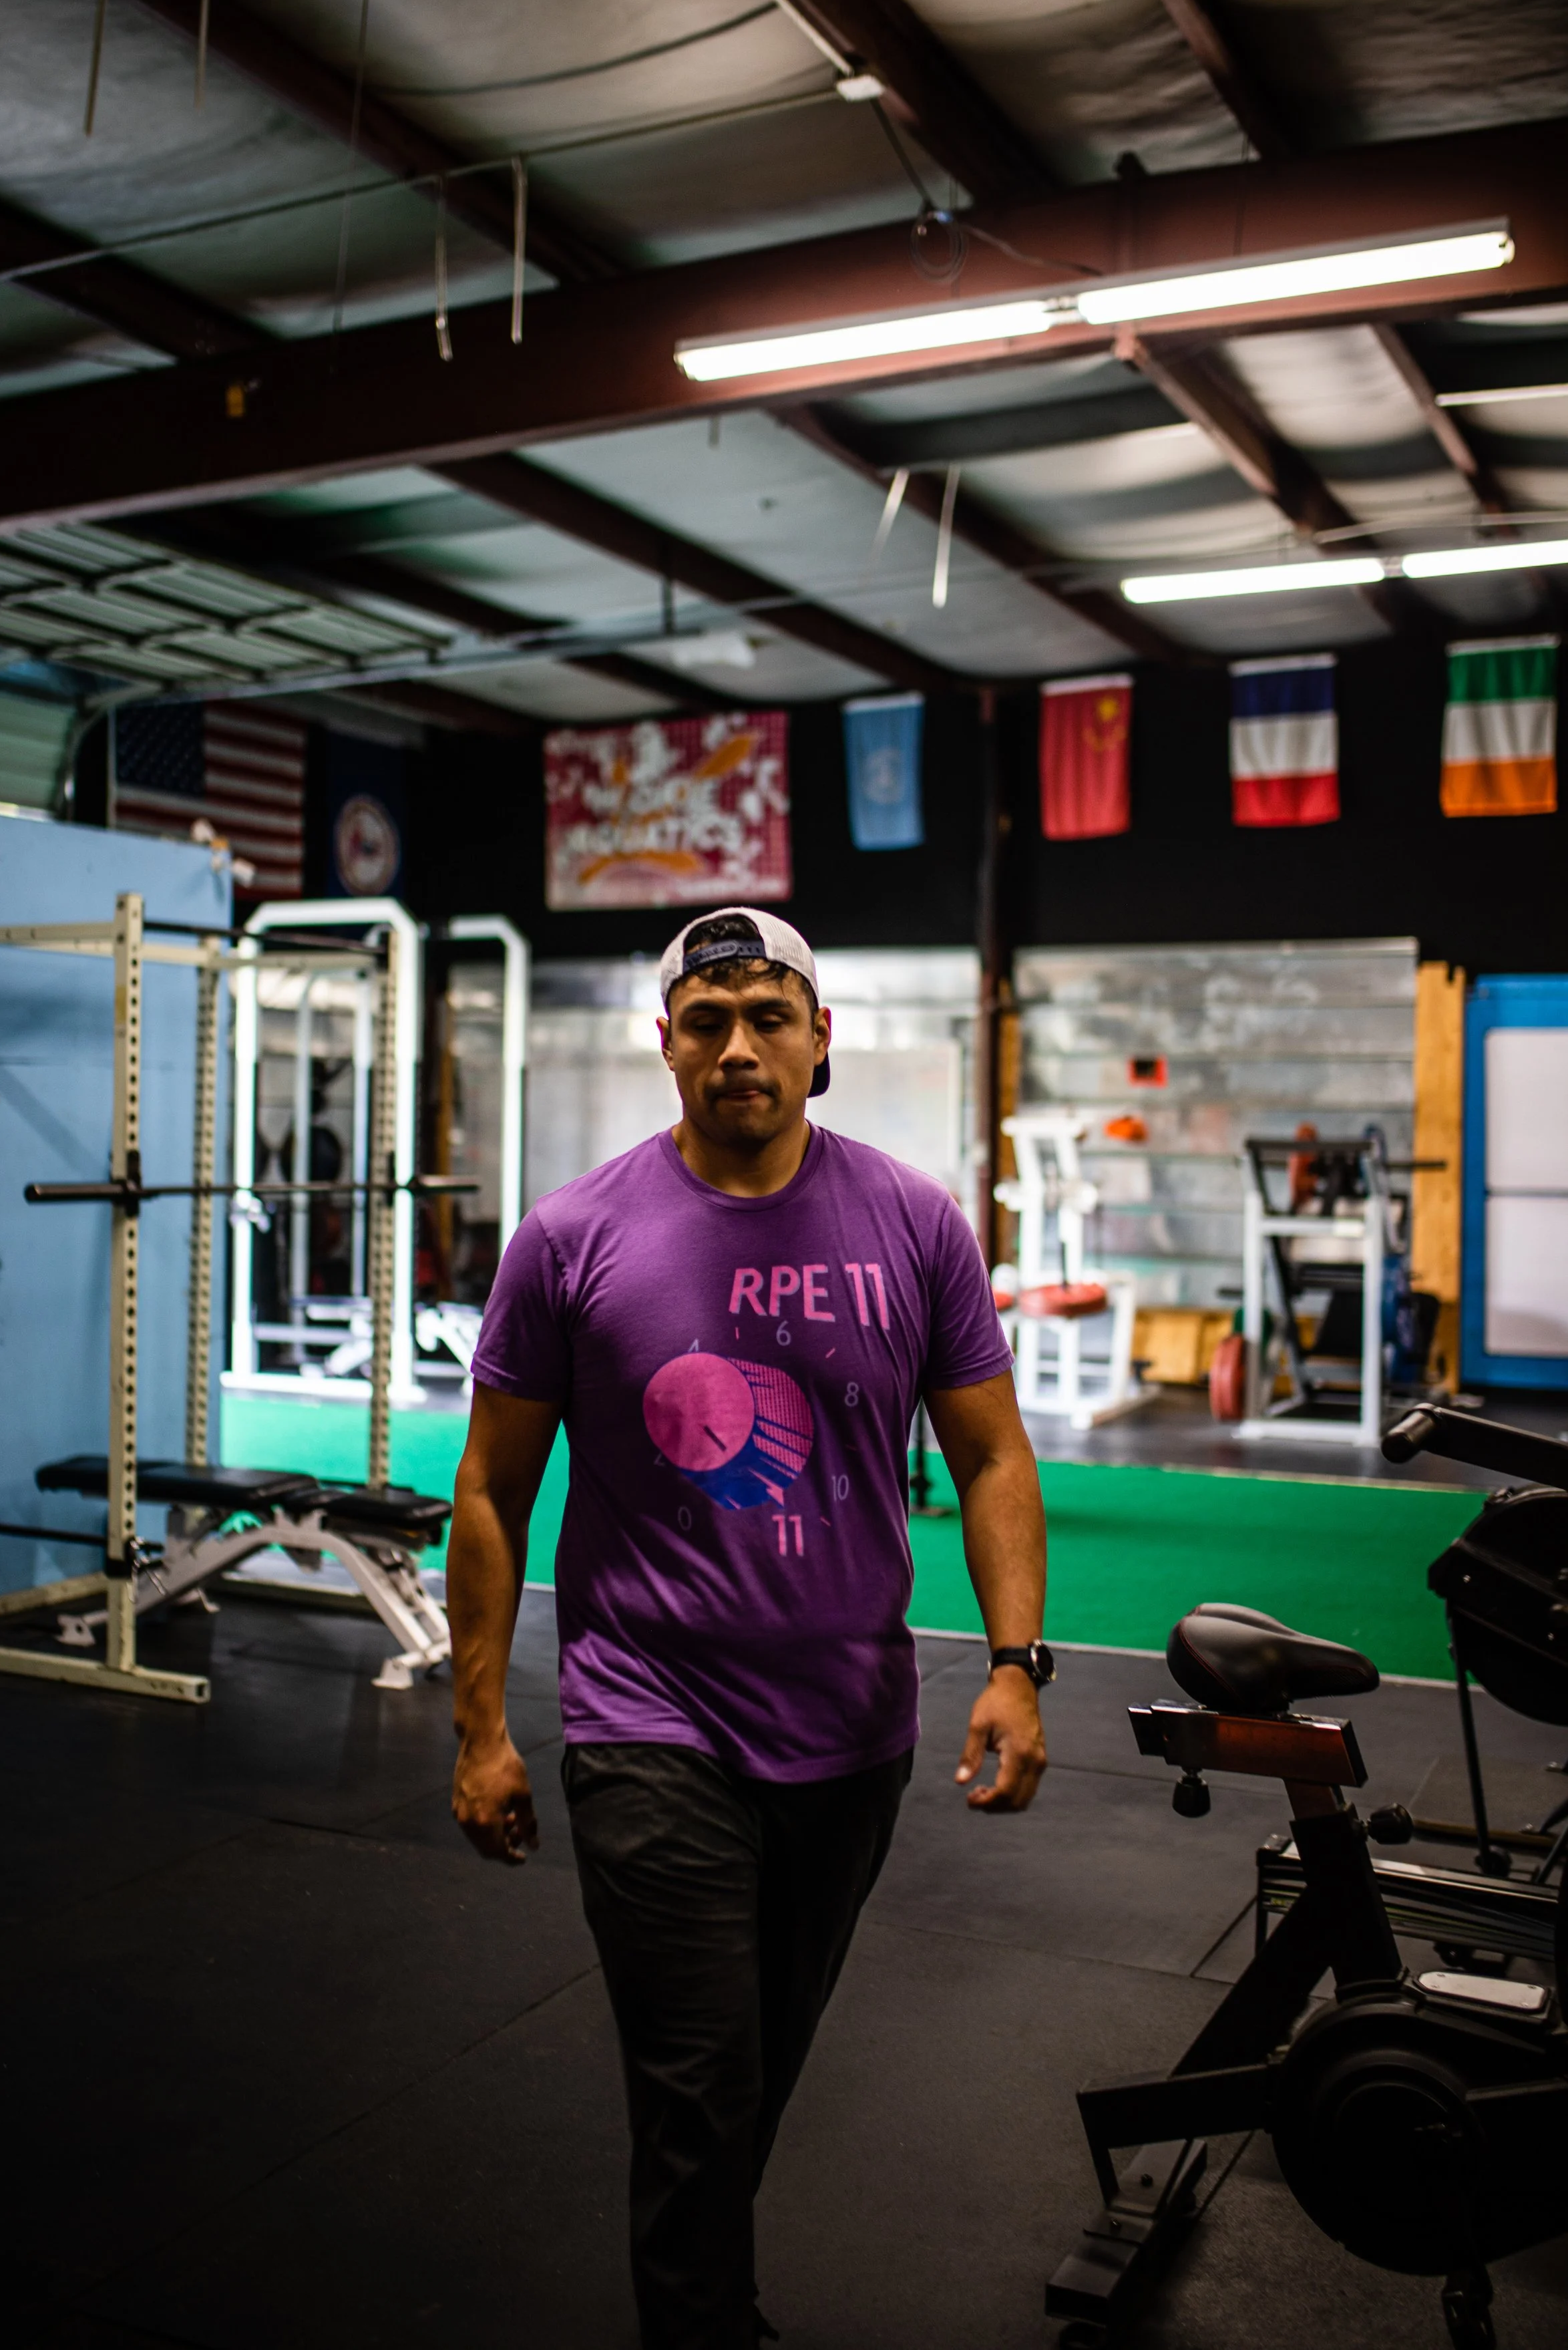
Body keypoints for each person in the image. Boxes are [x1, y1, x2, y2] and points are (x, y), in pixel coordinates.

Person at [447, 908, 1050, 2349]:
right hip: (646, 1716)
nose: (737, 1048)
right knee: (699, 2075)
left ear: (819, 1038)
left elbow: (991, 1459)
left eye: (766, 1016)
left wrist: (1017, 1665)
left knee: (752, 2070)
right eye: (705, 1020)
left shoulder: (911, 1222)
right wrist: (477, 1727)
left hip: (851, 1729)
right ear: (663, 1041)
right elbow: (487, 1492)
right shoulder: (572, 1237)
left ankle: (707, 2293)